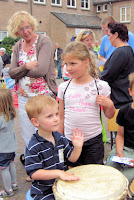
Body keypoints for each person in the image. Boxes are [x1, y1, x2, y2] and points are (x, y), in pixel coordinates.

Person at [7, 11, 57, 166]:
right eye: (21, 29)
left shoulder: (44, 41)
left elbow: (41, 70)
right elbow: (11, 73)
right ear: (16, 31)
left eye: (27, 27)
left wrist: (20, 70)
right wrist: (27, 66)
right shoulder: (17, 46)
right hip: (23, 98)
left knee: (47, 130)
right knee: (28, 132)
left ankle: (50, 162)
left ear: (32, 25)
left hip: (43, 96)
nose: (26, 31)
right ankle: (34, 165)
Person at [58, 41, 115, 166]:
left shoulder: (101, 86)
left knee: (93, 175)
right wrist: (58, 139)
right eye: (66, 64)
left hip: (93, 140)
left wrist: (109, 104)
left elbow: (110, 115)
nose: (68, 68)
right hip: (70, 140)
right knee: (73, 173)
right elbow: (61, 116)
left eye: (73, 63)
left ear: (86, 62)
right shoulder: (63, 88)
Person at [25, 95, 84, 200]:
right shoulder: (34, 146)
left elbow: (71, 158)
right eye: (49, 116)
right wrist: (59, 173)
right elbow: (34, 173)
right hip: (44, 191)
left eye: (57, 114)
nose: (56, 119)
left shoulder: (59, 137)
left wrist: (78, 148)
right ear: (36, 122)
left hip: (61, 184)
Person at [101, 22, 134, 109]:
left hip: (120, 100)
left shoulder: (121, 52)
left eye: (109, 35)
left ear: (116, 35)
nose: (108, 38)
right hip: (125, 97)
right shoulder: (128, 49)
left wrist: (93, 75)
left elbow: (108, 74)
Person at [0, 89, 18, 197]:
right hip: (11, 147)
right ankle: (14, 184)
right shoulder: (10, 114)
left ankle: (8, 190)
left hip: (2, 149)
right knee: (11, 164)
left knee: (3, 169)